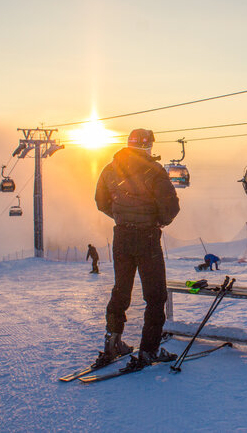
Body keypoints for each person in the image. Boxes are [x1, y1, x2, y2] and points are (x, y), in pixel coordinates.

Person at [94, 128, 180, 369]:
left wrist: (120, 216)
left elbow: (101, 201)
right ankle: (149, 350)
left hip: (121, 236)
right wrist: (157, 221)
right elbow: (170, 206)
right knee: (155, 296)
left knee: (121, 290)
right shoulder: (153, 170)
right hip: (146, 236)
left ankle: (113, 342)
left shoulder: (111, 168)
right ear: (148, 145)